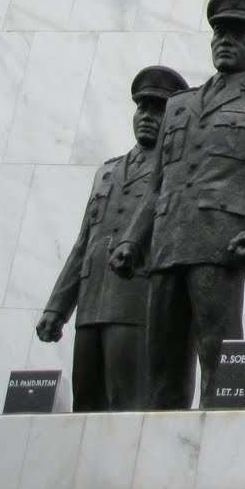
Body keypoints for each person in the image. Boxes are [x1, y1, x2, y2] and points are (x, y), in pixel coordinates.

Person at [110, 0, 245, 409]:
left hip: (221, 241)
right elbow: (159, 184)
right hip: (166, 244)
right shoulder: (179, 105)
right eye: (220, 32)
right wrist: (130, 239)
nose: (226, 40)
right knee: (161, 360)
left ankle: (217, 446)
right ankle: (160, 452)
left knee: (219, 353)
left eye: (240, 32)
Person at [36, 65, 182, 410]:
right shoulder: (108, 171)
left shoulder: (176, 170)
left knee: (127, 403)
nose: (147, 116)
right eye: (142, 108)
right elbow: (82, 244)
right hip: (91, 302)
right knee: (85, 404)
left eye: (158, 110)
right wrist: (58, 307)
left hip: (136, 301)